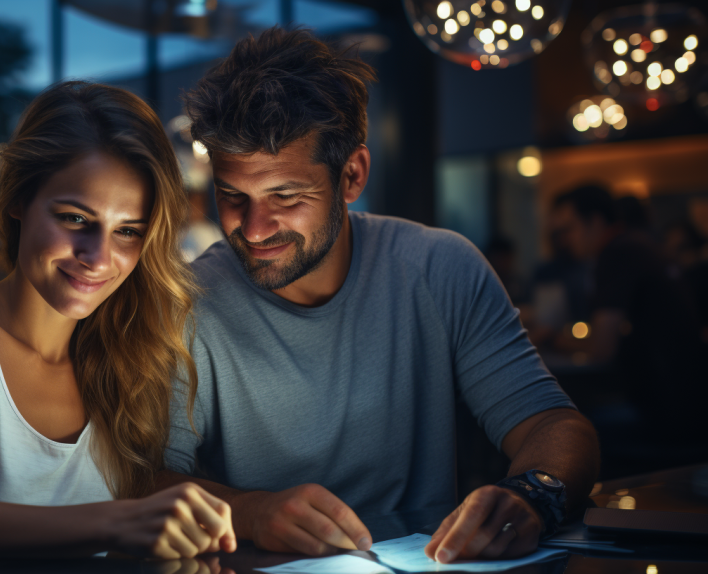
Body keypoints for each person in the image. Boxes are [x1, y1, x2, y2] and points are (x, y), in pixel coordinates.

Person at [157, 28, 600, 564]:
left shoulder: (440, 268)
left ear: (352, 175)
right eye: (233, 197)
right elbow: (143, 480)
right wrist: (250, 512)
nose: (253, 229)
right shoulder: (187, 302)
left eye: (286, 196)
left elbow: (554, 425)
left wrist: (531, 495)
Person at [0, 82, 235, 569]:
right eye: (75, 218)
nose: (98, 258)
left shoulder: (129, 356)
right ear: (17, 201)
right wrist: (124, 520)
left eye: (128, 231)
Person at [551, 186, 707, 443]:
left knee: (565, 431)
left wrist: (552, 340)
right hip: (686, 400)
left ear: (595, 222)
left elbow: (602, 348)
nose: (565, 240)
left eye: (570, 228)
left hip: (666, 412)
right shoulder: (636, 244)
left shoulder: (618, 253)